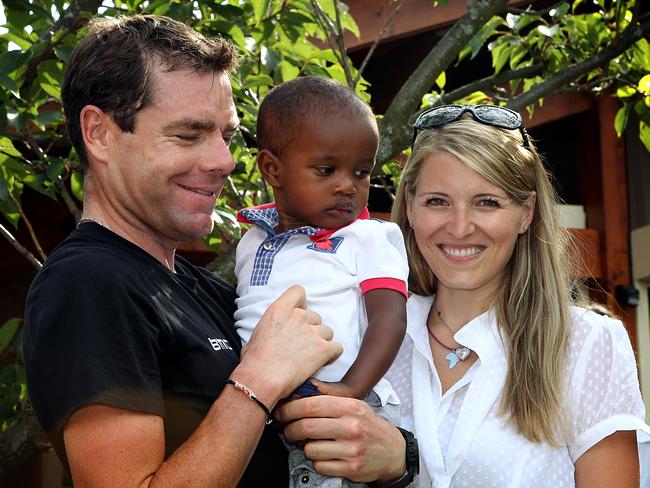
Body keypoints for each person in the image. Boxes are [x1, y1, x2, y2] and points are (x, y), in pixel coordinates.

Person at [22, 15, 343, 487]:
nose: (224, 161)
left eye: (227, 136)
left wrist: (396, 458)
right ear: (99, 133)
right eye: (189, 135)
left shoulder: (206, 291)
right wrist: (258, 379)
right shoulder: (88, 282)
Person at [383, 104, 650, 487]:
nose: (459, 227)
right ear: (410, 207)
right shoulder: (371, 337)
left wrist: (402, 464)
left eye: (486, 202)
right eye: (437, 201)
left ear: (526, 213)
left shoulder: (586, 345)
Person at [233, 76, 408, 487]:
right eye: (326, 169)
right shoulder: (252, 241)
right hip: (261, 409)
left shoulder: (369, 237)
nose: (347, 185)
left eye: (361, 172)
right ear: (272, 169)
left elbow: (390, 320)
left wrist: (349, 388)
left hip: (338, 405)